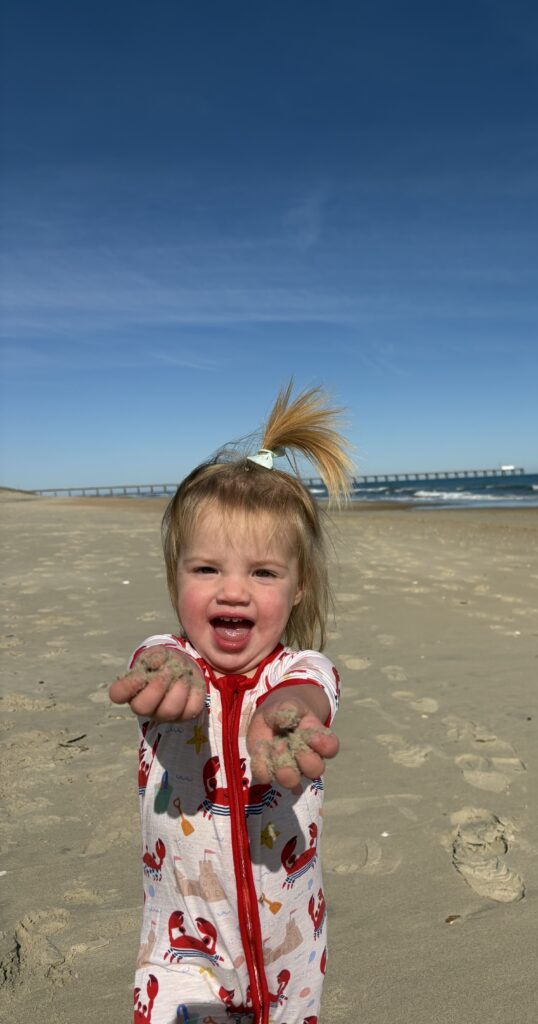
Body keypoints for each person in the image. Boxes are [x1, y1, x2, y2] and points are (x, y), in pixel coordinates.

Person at [109, 384, 352, 1024]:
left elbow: (310, 692)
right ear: (175, 577)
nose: (235, 591)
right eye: (207, 569)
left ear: (299, 589)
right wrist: (167, 672)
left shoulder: (301, 670)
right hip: (182, 954)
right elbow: (154, 660)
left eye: (264, 573)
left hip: (291, 954)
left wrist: (288, 714)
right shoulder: (167, 660)